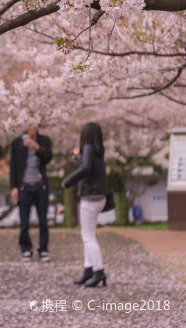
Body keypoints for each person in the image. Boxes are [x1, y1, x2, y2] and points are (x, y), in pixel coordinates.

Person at [62, 122, 109, 288]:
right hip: (100, 197)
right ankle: (88, 269)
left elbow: (86, 167)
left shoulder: (88, 146)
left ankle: (98, 271)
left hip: (90, 197)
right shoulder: (98, 149)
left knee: (88, 236)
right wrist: (78, 156)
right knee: (89, 234)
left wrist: (68, 181)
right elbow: (88, 164)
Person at [10, 124, 53, 262]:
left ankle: (43, 250)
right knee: (24, 222)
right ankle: (26, 249)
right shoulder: (17, 143)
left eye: (35, 125)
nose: (33, 128)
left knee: (43, 221)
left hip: (40, 186)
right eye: (29, 125)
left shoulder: (44, 140)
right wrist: (14, 187)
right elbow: (13, 166)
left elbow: (48, 158)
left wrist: (36, 147)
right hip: (24, 187)